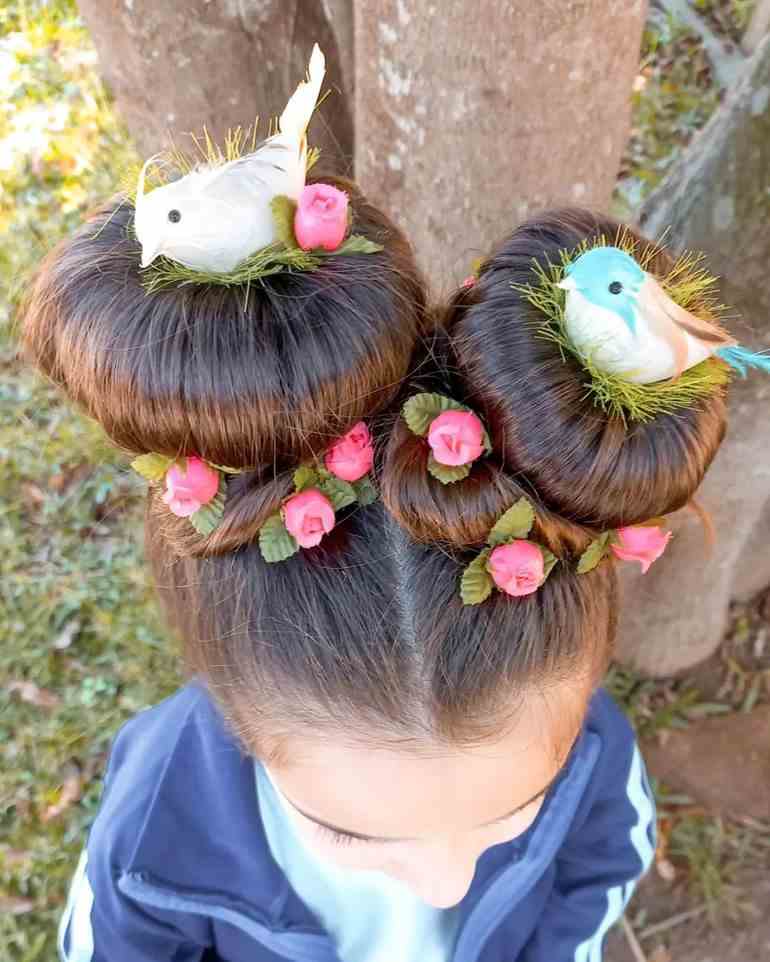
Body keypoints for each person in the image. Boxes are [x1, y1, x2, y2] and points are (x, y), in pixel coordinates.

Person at [21, 57, 738, 962]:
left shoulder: (590, 752)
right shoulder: (154, 833)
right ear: (237, 721)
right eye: (353, 836)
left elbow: (598, 871)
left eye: (518, 813)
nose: (451, 884)